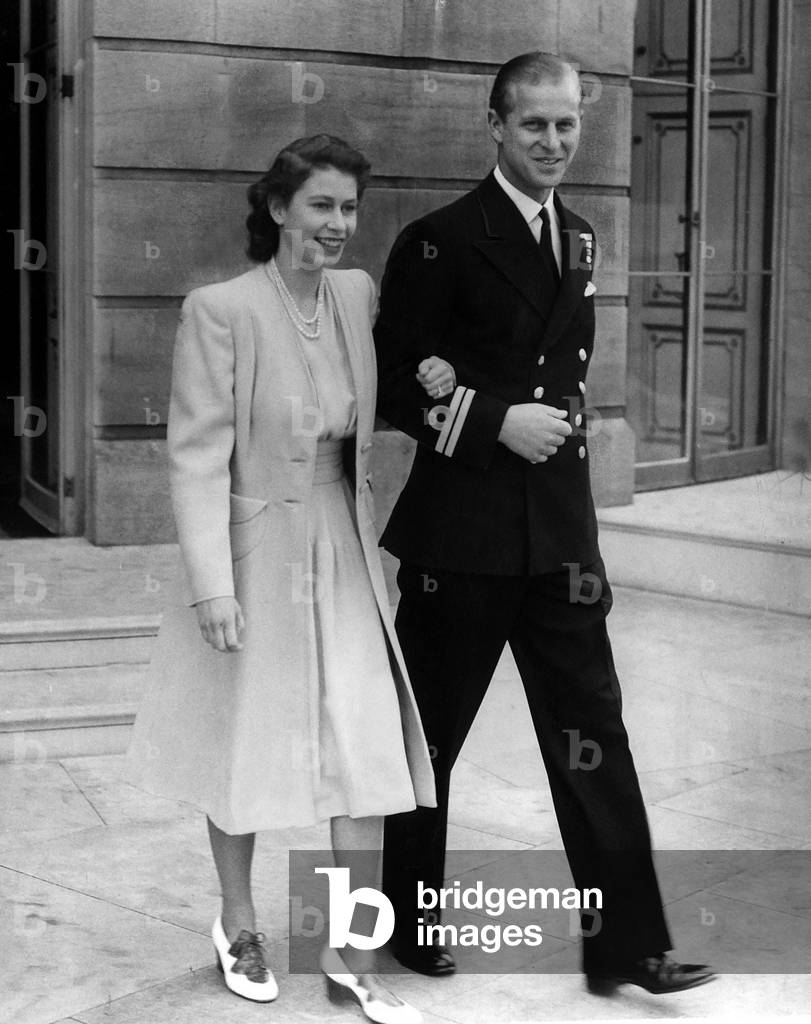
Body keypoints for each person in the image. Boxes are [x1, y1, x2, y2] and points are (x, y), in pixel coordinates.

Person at [374, 53, 715, 996]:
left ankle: (629, 948)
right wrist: (491, 421)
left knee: (593, 736)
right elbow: (397, 382)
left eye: (567, 126)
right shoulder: (438, 239)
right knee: (429, 739)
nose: (554, 143)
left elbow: (560, 372)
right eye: (534, 126)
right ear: (495, 126)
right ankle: (409, 923)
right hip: (461, 542)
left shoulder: (583, 238)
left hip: (558, 539)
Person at [127, 134, 455, 1023]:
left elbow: (380, 391)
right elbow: (195, 457)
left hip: (342, 548)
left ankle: (347, 948)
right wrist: (211, 585)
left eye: (349, 209)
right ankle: (236, 923)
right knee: (247, 745)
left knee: (364, 749)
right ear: (277, 209)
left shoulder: (355, 295)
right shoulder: (220, 309)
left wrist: (432, 371)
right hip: (255, 550)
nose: (337, 226)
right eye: (319, 206)